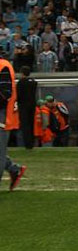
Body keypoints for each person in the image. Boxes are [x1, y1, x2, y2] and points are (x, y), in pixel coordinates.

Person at [0, 51, 27, 190]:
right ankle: (13, 169)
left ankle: (13, 169)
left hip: (2, 116)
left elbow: (5, 94)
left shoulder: (3, 66)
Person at [16, 66, 37, 149]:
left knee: (25, 125)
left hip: (23, 105)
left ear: (22, 73)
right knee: (31, 123)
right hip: (32, 105)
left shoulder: (21, 83)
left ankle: (27, 144)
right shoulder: (33, 82)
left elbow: (19, 95)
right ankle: (32, 142)